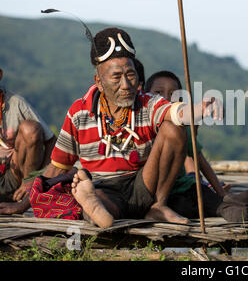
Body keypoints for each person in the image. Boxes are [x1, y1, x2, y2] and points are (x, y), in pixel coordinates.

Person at [0, 27, 221, 228]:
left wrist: (200, 107)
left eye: (131, 75)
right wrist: (25, 203)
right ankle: (93, 206)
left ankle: (159, 206)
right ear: (99, 81)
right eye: (116, 77)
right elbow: (57, 167)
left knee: (174, 128)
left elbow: (177, 112)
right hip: (104, 187)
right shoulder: (79, 112)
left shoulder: (148, 102)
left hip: (144, 183)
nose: (126, 85)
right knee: (102, 203)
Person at [145, 70, 228, 218]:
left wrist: (221, 194)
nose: (165, 98)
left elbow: (198, 157)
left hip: (183, 187)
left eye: (173, 95)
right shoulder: (142, 124)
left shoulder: (180, 127)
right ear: (146, 96)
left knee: (218, 205)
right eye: (158, 93)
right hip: (153, 192)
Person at [0, 68, 56, 203]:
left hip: (14, 174)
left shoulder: (16, 103)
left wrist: (39, 178)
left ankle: (28, 190)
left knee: (30, 129)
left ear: (0, 75)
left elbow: (51, 140)